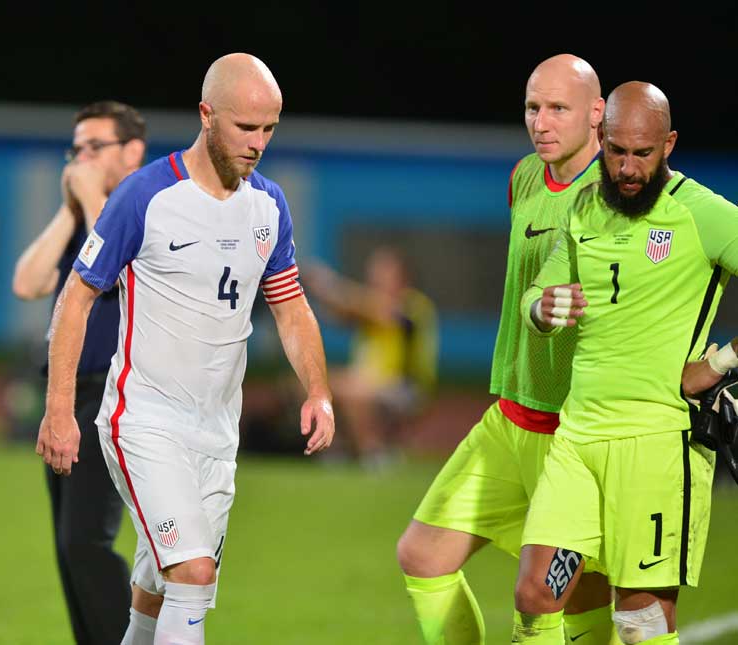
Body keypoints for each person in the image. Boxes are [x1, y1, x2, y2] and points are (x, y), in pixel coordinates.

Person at [36, 53, 335, 645]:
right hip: (144, 420)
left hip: (217, 432)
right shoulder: (146, 196)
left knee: (157, 581)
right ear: (205, 115)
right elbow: (75, 299)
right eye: (245, 127)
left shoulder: (268, 207)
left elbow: (290, 305)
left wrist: (320, 392)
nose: (257, 143)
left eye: (269, 128)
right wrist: (58, 409)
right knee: (193, 574)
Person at [395, 54, 618, 645]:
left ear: (597, 113)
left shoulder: (613, 198)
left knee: (569, 599)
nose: (541, 122)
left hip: (571, 437)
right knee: (422, 556)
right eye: (532, 108)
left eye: (558, 109)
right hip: (509, 419)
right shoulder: (523, 175)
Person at [513, 81, 738, 645]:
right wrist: (542, 308)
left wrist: (724, 361)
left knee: (639, 622)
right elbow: (537, 295)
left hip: (658, 446)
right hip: (579, 441)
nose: (628, 168)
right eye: (616, 151)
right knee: (536, 596)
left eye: (643, 153)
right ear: (601, 139)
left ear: (669, 145)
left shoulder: (699, 213)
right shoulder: (586, 208)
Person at [12, 100, 147, 644]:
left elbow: (112, 273)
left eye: (96, 147)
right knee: (68, 550)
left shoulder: (144, 207)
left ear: (132, 151)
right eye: (77, 149)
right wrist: (70, 208)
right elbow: (27, 281)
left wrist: (91, 198)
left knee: (85, 541)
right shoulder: (86, 218)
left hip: (112, 397)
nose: (82, 158)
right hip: (65, 395)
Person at [302, 247, 437, 468]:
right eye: (375, 271)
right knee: (316, 385)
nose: (376, 276)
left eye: (384, 272)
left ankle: (373, 453)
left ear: (402, 276)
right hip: (369, 381)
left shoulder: (413, 307)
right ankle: (337, 449)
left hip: (406, 387)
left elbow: (369, 308)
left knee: (353, 390)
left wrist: (324, 281)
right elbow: (342, 309)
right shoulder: (367, 307)